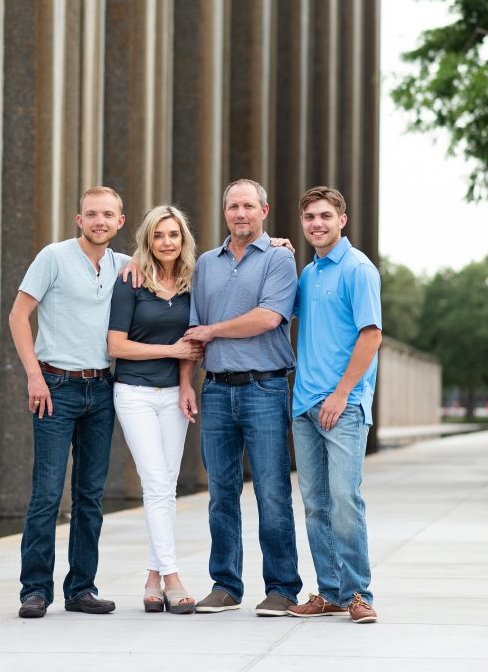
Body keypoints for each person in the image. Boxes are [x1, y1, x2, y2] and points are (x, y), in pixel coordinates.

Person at [179, 179, 302, 616]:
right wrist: (185, 384)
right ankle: (226, 584)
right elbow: (192, 330)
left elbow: (269, 318)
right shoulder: (206, 265)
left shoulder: (280, 258)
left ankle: (283, 587)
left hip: (265, 388)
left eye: (248, 205)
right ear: (224, 211)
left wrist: (214, 330)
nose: (240, 213)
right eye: (233, 206)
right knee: (221, 493)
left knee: (271, 491)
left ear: (264, 211)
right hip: (215, 391)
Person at [9, 186, 131, 619]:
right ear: (79, 220)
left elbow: (181, 271)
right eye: (92, 214)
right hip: (56, 388)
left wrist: (276, 244)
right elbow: (18, 315)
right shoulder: (53, 256)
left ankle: (81, 588)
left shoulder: (126, 267)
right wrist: (34, 376)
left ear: (120, 221)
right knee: (46, 493)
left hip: (101, 391)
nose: (100, 221)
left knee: (90, 496)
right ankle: (35, 589)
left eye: (108, 215)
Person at [287, 186, 382, 624]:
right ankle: (330, 592)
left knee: (345, 499)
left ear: (342, 220)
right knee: (315, 504)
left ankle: (359, 593)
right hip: (305, 405)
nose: (317, 224)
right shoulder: (309, 273)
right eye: (309, 217)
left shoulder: (357, 269)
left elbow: (371, 335)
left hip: (343, 406)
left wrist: (342, 393)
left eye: (325, 216)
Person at [107, 206, 203, 614]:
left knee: (166, 484)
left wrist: (185, 384)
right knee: (156, 483)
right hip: (134, 393)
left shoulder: (191, 284)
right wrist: (170, 350)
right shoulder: (130, 281)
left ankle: (151, 580)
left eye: (174, 235)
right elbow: (116, 346)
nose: (167, 242)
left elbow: (193, 343)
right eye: (159, 235)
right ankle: (173, 577)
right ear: (147, 240)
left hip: (173, 396)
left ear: (183, 240)